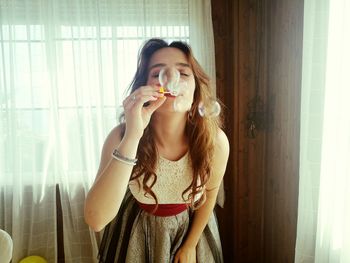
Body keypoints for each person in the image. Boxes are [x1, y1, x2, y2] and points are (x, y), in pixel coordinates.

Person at [84, 38, 229, 263]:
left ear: (196, 87)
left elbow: (210, 193)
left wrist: (190, 246)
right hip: (136, 235)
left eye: (182, 73)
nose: (171, 80)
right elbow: (96, 219)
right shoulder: (121, 136)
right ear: (144, 87)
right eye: (158, 73)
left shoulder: (215, 142)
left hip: (191, 234)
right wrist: (133, 134)